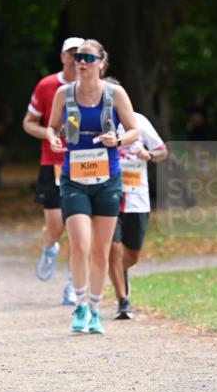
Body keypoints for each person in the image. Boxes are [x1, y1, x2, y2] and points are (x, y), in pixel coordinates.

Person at [46, 39, 138, 335]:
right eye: (77, 58)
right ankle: (80, 305)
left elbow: (134, 130)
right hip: (74, 179)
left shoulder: (115, 93)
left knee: (100, 250)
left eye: (88, 57)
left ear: (101, 61)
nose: (81, 62)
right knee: (80, 245)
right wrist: (52, 138)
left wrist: (119, 140)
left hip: (107, 180)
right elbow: (51, 126)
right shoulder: (64, 93)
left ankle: (96, 310)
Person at [22, 36, 84, 305]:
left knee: (78, 228)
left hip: (85, 162)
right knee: (56, 227)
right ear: (62, 57)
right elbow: (29, 123)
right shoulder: (48, 86)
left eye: (79, 54)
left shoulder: (93, 88)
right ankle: (48, 247)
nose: (74, 58)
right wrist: (47, 135)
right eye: (70, 53)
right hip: (53, 163)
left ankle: (73, 284)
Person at [108, 107, 168, 320]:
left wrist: (149, 154)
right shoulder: (100, 122)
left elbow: (162, 151)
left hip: (137, 198)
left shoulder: (140, 121)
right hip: (108, 197)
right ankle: (123, 301)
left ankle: (117, 270)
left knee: (131, 255)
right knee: (113, 249)